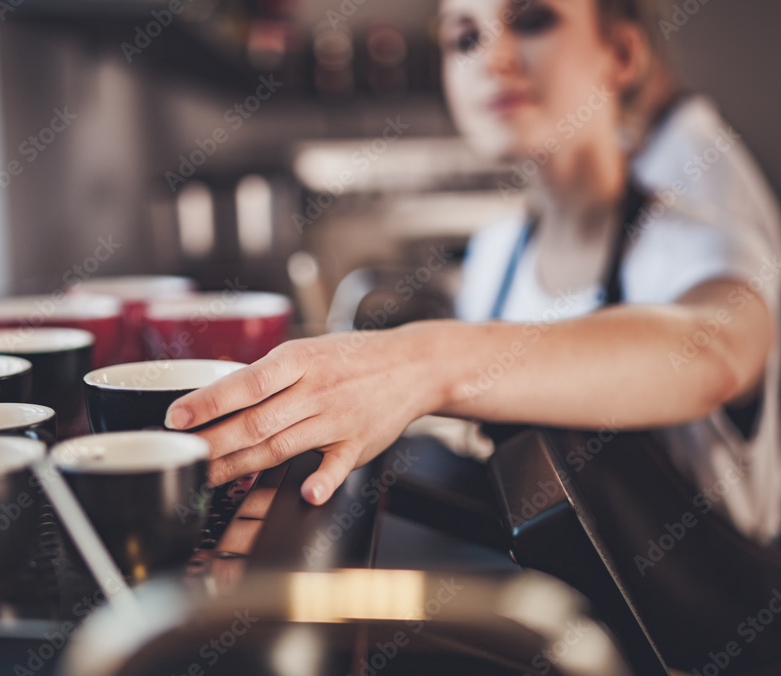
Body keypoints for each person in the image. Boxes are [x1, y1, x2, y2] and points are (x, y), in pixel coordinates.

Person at [165, 0, 781, 545]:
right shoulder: (498, 253)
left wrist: (425, 361)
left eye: (533, 20)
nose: (494, 58)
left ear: (619, 54)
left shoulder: (699, 244)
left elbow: (715, 353)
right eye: (465, 37)